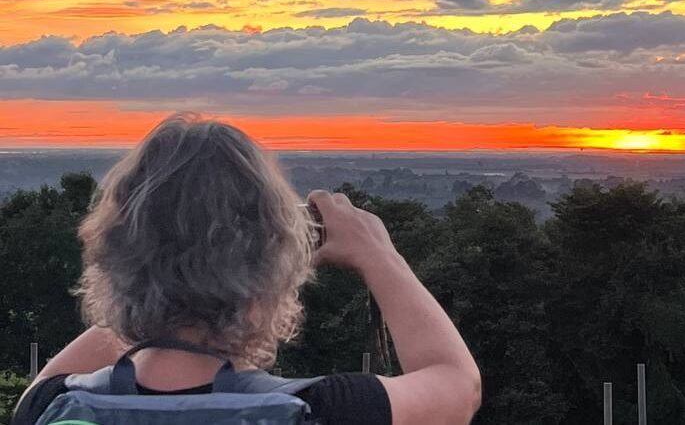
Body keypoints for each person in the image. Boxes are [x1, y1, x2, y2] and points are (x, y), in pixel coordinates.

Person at [12, 113, 482, 425]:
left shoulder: (55, 409)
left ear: (112, 258)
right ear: (273, 274)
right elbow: (457, 383)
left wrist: (155, 272)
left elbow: (45, 384)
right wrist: (378, 254)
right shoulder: (316, 410)